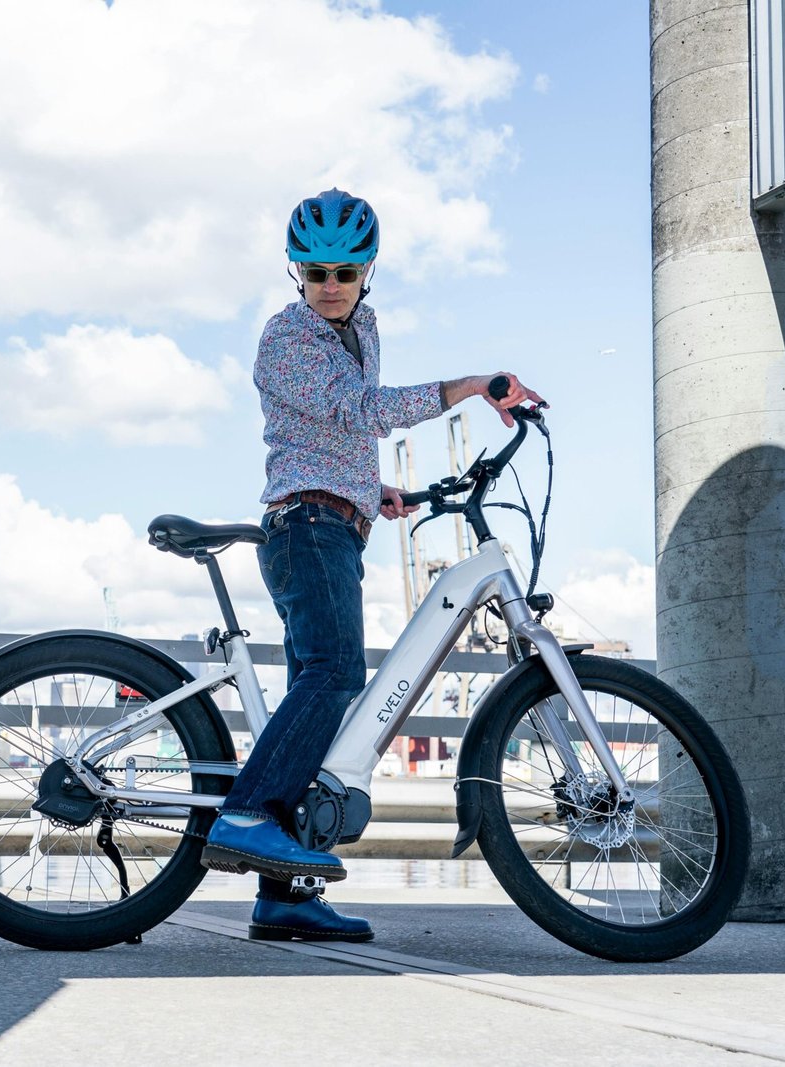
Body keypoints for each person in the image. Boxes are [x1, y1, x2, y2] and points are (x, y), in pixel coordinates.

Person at [201, 188, 544, 943]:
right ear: (296, 271)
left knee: (318, 707)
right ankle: (247, 814)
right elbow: (360, 410)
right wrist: (468, 388)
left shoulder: (363, 327)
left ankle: (284, 897)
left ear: (367, 272)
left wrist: (369, 487)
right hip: (307, 527)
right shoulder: (286, 337)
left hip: (335, 521)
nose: (330, 286)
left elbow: (330, 427)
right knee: (335, 674)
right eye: (316, 272)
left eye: (345, 273)